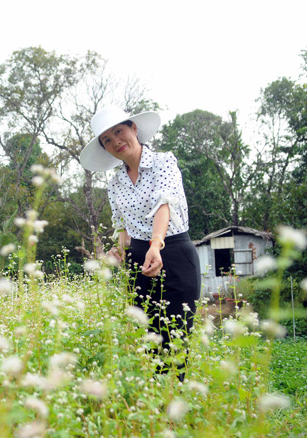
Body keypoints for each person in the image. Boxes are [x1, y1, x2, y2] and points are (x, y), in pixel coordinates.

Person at [79, 106, 201, 374]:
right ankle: (153, 407)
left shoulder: (163, 162)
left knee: (175, 341)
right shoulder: (115, 183)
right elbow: (124, 229)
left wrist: (156, 245)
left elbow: (163, 206)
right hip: (138, 262)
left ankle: (173, 409)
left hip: (173, 254)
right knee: (148, 341)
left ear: (134, 128)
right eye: (107, 140)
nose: (115, 142)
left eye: (118, 132)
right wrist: (117, 252)